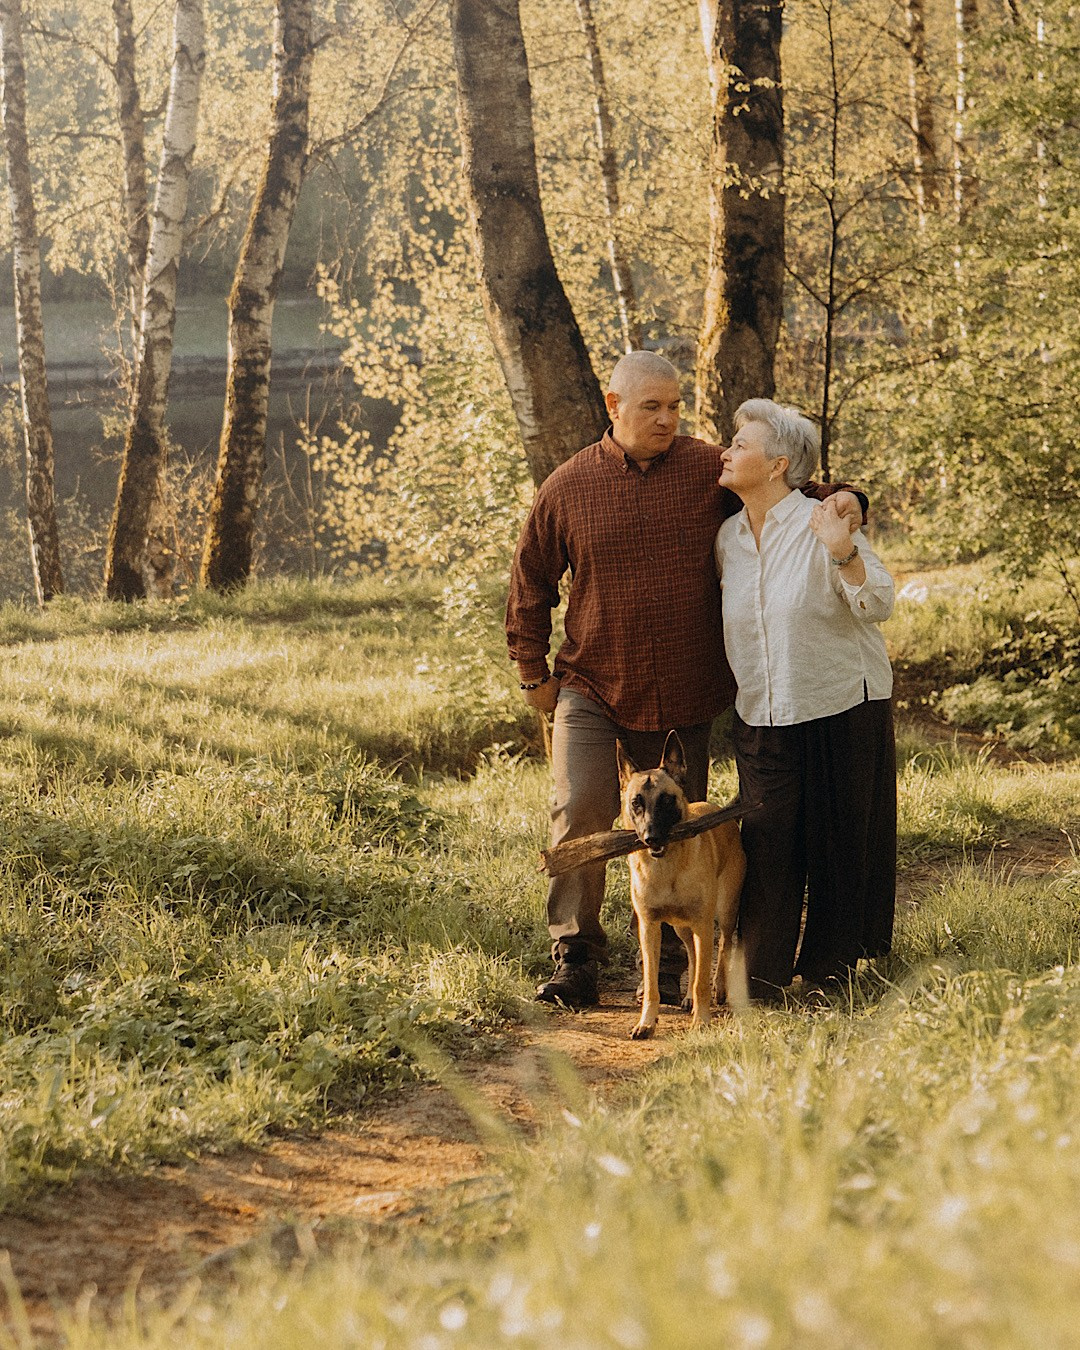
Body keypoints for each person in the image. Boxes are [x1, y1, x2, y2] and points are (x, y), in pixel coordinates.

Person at [506, 351, 865, 1009]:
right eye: (652, 407)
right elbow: (529, 581)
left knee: (677, 826)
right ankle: (575, 959)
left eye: (675, 405)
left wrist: (846, 497)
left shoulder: (706, 469)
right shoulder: (567, 486)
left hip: (683, 694)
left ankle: (674, 968)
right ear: (614, 407)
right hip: (592, 686)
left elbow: (787, 488)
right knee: (581, 807)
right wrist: (532, 672)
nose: (669, 418)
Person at [714, 399, 896, 1002]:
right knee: (765, 841)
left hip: (842, 701)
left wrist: (844, 549)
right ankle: (757, 982)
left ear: (778, 464)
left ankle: (830, 974)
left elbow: (877, 604)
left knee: (839, 840)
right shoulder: (728, 537)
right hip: (762, 712)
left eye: (742, 444)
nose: (728, 450)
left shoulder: (822, 520)